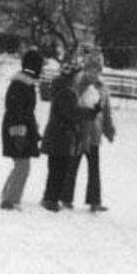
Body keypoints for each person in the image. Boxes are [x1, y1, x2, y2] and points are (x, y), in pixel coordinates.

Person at [39, 56, 87, 211]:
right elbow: (70, 114)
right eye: (78, 75)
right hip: (60, 136)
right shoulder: (66, 93)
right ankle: (51, 199)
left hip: (58, 135)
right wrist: (86, 113)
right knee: (59, 169)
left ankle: (50, 196)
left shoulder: (63, 90)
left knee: (56, 168)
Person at [71, 50, 116, 211]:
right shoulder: (77, 84)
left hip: (95, 134)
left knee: (94, 168)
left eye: (96, 70)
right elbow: (72, 105)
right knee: (72, 165)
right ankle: (65, 196)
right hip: (78, 132)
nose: (93, 73)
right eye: (90, 69)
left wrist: (109, 129)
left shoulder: (102, 88)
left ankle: (94, 201)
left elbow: (106, 110)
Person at [0, 50, 43, 209]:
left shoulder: (26, 84)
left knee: (20, 164)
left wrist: (34, 131)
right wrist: (19, 135)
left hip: (21, 129)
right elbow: (16, 111)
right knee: (23, 166)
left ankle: (7, 195)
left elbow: (26, 111)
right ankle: (10, 200)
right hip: (16, 130)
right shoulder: (21, 85)